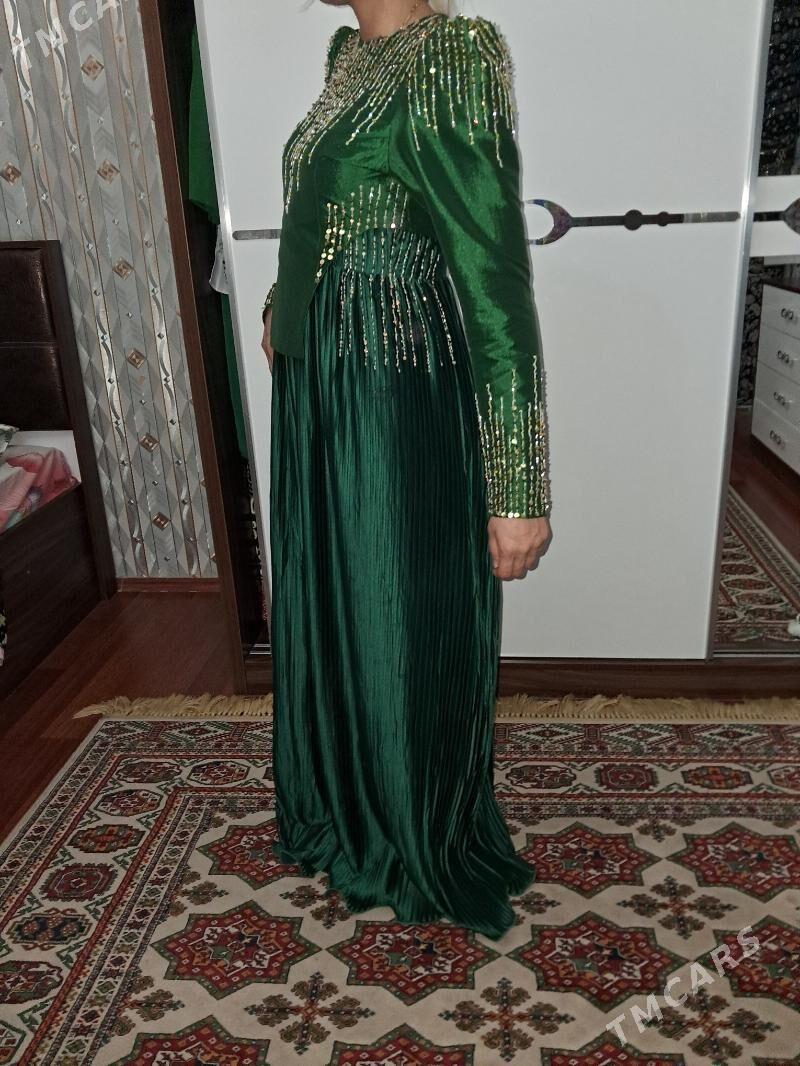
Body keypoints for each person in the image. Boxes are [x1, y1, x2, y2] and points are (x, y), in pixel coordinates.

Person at [261, 0, 551, 941]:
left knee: (396, 604)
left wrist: (517, 488)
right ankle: (348, 805)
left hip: (390, 383)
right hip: (321, 382)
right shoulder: (349, 56)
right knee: (337, 596)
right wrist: (279, 304)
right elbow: (327, 209)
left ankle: (410, 828)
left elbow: (496, 283)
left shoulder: (450, 54)